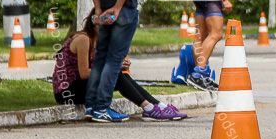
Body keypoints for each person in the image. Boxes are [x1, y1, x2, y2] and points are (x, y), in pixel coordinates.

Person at [53, 12, 186, 120]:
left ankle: (157, 105)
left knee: (118, 74)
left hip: (84, 87)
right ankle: (149, 108)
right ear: (94, 23)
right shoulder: (84, 39)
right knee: (114, 73)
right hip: (67, 92)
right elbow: (84, 73)